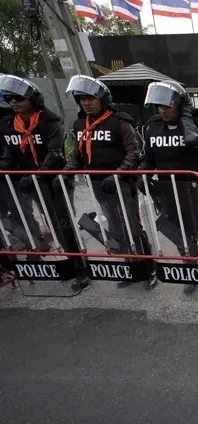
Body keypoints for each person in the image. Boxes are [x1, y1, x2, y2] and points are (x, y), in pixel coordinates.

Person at [62, 74, 157, 289]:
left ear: (102, 99)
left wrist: (117, 174)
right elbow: (78, 153)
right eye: (81, 98)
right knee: (115, 228)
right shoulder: (80, 124)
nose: (86, 102)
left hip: (122, 185)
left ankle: (148, 269)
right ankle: (129, 267)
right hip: (97, 185)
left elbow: (133, 152)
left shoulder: (120, 122)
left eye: (90, 98)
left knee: (133, 228)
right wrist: (68, 168)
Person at [0, 74, 89, 291]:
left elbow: (55, 153)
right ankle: (47, 260)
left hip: (54, 181)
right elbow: (8, 153)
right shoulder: (8, 123)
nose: (13, 102)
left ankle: (81, 267)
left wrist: (37, 175)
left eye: (18, 98)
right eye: (9, 98)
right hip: (27, 182)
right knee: (34, 222)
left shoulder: (50, 120)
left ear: (32, 99)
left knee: (63, 224)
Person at [139, 80, 198, 295]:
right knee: (180, 236)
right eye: (159, 106)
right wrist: (143, 173)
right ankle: (191, 273)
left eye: (167, 106)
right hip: (167, 192)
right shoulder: (154, 126)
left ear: (180, 105)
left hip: (192, 191)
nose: (162, 111)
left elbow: (195, 143)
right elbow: (149, 158)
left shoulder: (196, 123)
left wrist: (186, 116)